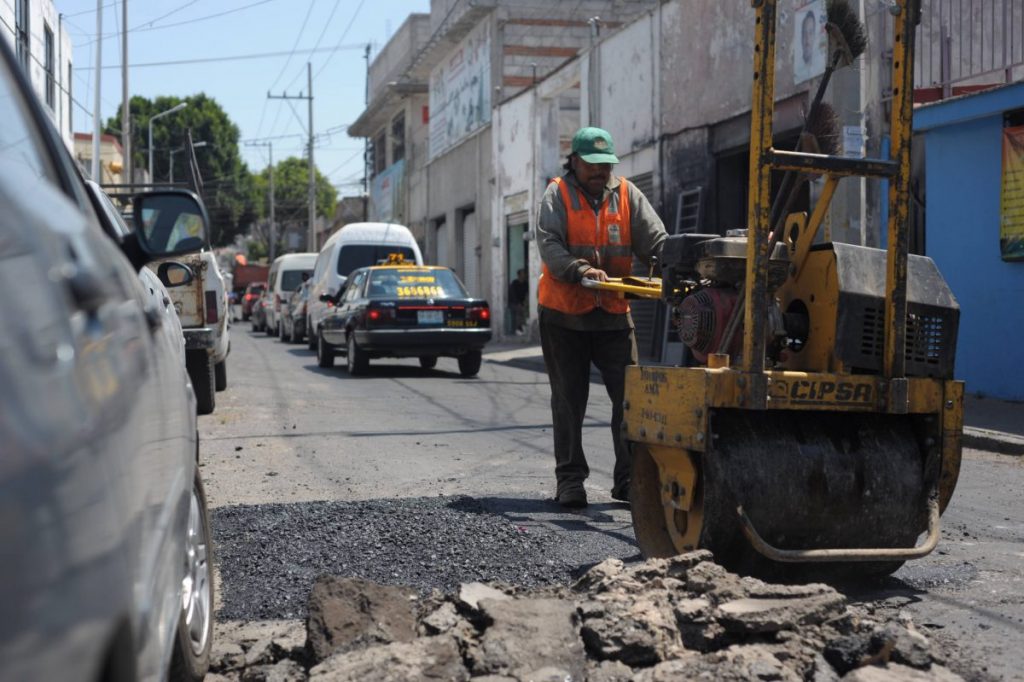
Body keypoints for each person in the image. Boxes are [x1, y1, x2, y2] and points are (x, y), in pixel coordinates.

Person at [537, 127, 667, 508]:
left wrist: (673, 261)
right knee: (568, 400)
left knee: (631, 399)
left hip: (612, 313)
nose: (599, 172)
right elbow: (550, 244)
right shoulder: (556, 194)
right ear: (574, 162)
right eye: (592, 165)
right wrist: (579, 269)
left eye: (605, 164)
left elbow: (655, 241)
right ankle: (570, 480)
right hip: (564, 316)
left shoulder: (627, 194)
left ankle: (629, 480)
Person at [508, 268, 528, 335]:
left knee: (524, 311)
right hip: (514, 304)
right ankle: (516, 329)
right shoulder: (514, 283)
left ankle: (521, 329)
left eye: (524, 274)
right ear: (519, 275)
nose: (524, 275)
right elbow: (513, 295)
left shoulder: (525, 284)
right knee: (518, 312)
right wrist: (518, 303)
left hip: (523, 304)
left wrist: (524, 304)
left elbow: (527, 295)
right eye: (522, 274)